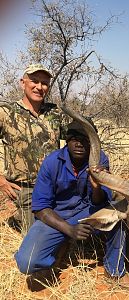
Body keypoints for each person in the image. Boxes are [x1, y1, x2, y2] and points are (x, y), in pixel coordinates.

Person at [14, 120, 129, 285]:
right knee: (26, 263)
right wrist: (70, 230)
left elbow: (102, 201)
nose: (79, 143)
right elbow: (41, 208)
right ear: (67, 140)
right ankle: (53, 259)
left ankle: (115, 271)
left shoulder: (99, 159)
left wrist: (96, 187)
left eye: (85, 139)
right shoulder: (52, 162)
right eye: (74, 138)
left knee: (118, 217)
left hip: (87, 211)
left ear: (92, 143)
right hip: (56, 215)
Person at [0, 63, 67, 232]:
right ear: (23, 83)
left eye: (44, 83)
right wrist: (0, 179)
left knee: (70, 233)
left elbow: (75, 141)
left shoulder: (56, 113)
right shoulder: (6, 112)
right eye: (34, 81)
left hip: (54, 188)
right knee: (37, 240)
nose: (39, 87)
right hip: (24, 190)